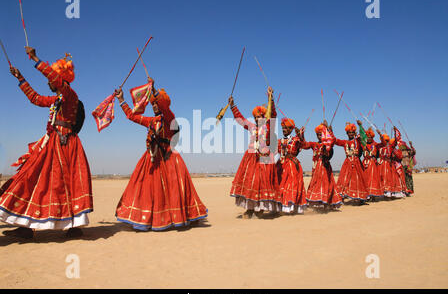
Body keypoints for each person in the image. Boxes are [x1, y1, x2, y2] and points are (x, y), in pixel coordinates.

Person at [0, 47, 92, 238]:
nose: (49, 82)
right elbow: (35, 99)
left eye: (52, 79)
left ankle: (73, 226)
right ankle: (25, 225)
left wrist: (35, 59)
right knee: (33, 177)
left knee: (66, 183)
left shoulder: (70, 95)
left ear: (60, 80)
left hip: (66, 144)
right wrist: (21, 79)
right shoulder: (57, 99)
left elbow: (56, 80)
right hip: (52, 142)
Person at [114, 79, 208, 231]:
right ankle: (148, 219)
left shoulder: (170, 119)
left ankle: (178, 217)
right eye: (153, 104)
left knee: (173, 189)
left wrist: (155, 90)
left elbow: (165, 106)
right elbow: (132, 116)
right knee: (147, 188)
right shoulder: (151, 121)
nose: (155, 105)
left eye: (156, 103)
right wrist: (121, 100)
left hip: (169, 158)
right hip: (152, 159)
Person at [228, 87, 280, 219]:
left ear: (264, 116)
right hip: (251, 158)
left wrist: (270, 98)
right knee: (250, 182)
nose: (257, 119)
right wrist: (233, 106)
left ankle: (260, 209)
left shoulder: (269, 126)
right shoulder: (252, 127)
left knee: (262, 183)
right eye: (255, 117)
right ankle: (250, 209)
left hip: (264, 158)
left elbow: (273, 114)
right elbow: (240, 119)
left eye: (260, 117)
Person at [301, 121, 342, 209]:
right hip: (316, 169)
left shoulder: (328, 145)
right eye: (318, 135)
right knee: (315, 185)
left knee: (326, 184)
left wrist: (329, 131)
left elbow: (332, 143)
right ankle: (318, 202)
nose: (320, 136)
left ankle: (326, 203)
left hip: (325, 168)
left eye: (322, 134)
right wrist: (301, 135)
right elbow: (304, 145)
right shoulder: (314, 144)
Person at [276, 118, 307, 214]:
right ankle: (280, 207)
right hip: (280, 165)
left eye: (286, 128)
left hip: (292, 166)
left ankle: (290, 207)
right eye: (283, 128)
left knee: (290, 185)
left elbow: (304, 145)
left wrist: (301, 135)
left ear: (291, 129)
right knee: (279, 185)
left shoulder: (295, 140)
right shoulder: (279, 141)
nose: (284, 130)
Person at [333, 122, 369, 204]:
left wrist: (360, 126)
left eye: (352, 132)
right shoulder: (345, 142)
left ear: (354, 133)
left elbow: (364, 137)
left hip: (356, 162)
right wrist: (330, 130)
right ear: (347, 133)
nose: (351, 134)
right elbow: (335, 141)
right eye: (349, 132)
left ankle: (360, 197)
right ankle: (341, 197)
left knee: (357, 179)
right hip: (347, 163)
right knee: (344, 179)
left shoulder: (358, 141)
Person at [357, 121, 383, 200]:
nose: (368, 138)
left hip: (372, 163)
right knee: (365, 178)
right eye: (367, 137)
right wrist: (360, 126)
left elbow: (383, 143)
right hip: (365, 163)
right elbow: (361, 137)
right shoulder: (363, 144)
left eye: (370, 137)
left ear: (372, 137)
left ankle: (372, 195)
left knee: (373, 179)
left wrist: (380, 135)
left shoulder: (375, 145)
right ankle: (366, 194)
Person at [376, 127, 404, 198]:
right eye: (384, 140)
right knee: (381, 178)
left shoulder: (390, 146)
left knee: (389, 178)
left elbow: (396, 141)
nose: (386, 141)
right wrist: (379, 134)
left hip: (388, 164)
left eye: (387, 140)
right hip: (381, 165)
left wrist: (395, 132)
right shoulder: (379, 146)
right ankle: (382, 192)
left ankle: (390, 193)